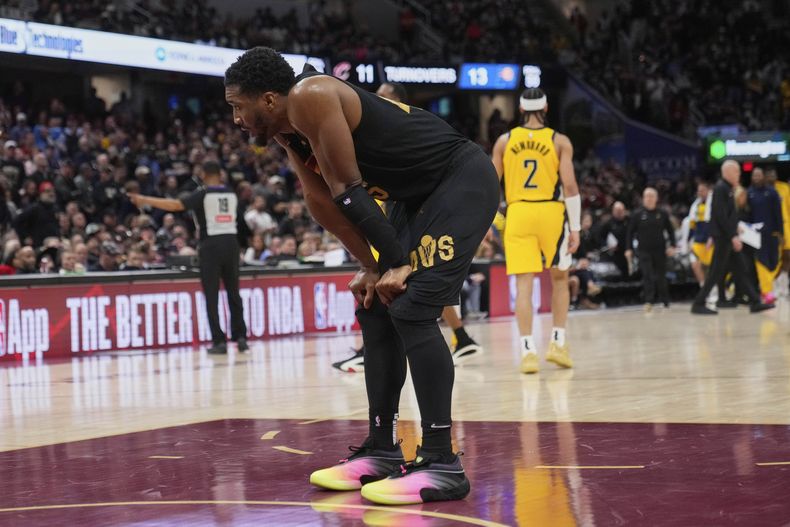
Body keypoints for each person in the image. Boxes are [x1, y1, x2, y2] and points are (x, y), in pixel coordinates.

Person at [223, 47, 498, 504]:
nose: (235, 118)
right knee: (374, 306)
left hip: (459, 178)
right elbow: (322, 203)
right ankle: (384, 450)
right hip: (413, 197)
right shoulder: (288, 133)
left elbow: (347, 189)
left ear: (269, 99)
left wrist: (393, 262)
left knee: (411, 307)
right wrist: (371, 266)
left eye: (237, 106)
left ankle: (441, 461)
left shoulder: (311, 94)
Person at [332, 81, 483, 373]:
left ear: (399, 101)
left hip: (397, 215)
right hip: (390, 210)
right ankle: (461, 336)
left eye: (384, 97)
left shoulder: (401, 130)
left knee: (394, 277)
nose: (375, 101)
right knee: (417, 276)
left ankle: (368, 349)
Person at [491, 88, 580, 375]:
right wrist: (576, 227)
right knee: (560, 279)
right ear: (546, 107)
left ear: (519, 109)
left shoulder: (504, 141)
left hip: (517, 213)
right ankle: (558, 343)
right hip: (551, 214)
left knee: (525, 285)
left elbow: (492, 185)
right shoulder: (559, 140)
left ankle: (528, 351)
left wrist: (485, 222)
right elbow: (570, 187)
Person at [130, 161, 249, 354]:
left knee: (212, 296)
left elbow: (176, 205)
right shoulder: (230, 193)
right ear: (220, 174)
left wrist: (145, 199)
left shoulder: (203, 193)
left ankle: (219, 342)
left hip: (211, 245)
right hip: (232, 243)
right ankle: (241, 337)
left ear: (203, 174)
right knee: (233, 293)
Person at [691, 160, 774, 315]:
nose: (739, 174)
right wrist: (733, 236)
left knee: (741, 269)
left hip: (727, 236)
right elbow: (721, 216)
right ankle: (698, 303)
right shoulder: (721, 189)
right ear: (728, 172)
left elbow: (729, 215)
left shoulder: (727, 189)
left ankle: (755, 302)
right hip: (723, 238)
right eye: (736, 171)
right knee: (716, 271)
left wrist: (736, 229)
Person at [625, 188, 677, 310]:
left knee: (661, 276)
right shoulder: (637, 214)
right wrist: (628, 248)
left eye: (651, 196)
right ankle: (649, 301)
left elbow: (670, 231)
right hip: (643, 250)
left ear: (656, 198)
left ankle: (665, 300)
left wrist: (672, 246)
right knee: (647, 275)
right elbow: (630, 233)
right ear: (643, 199)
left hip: (660, 249)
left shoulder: (662, 213)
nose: (649, 199)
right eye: (646, 196)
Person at [747, 167, 784, 303]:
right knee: (760, 262)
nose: (756, 178)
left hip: (772, 233)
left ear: (763, 176)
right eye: (754, 175)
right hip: (755, 235)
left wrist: (781, 233)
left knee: (774, 262)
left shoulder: (772, 192)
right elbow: (747, 215)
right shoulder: (749, 193)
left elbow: (778, 214)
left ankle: (769, 287)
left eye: (759, 175)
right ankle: (766, 291)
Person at [685, 181, 713, 286]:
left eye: (703, 190)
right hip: (698, 240)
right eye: (699, 191)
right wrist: (689, 240)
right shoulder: (695, 206)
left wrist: (712, 237)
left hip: (711, 239)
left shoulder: (714, 203)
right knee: (695, 264)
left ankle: (714, 289)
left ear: (708, 191)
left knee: (712, 266)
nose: (700, 193)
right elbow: (692, 225)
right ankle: (703, 287)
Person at [598, 201, 629, 278]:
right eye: (617, 211)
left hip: (627, 251)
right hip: (614, 253)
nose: (619, 213)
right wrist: (607, 246)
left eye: (621, 210)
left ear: (624, 211)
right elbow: (600, 237)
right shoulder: (608, 223)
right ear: (613, 211)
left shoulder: (629, 221)